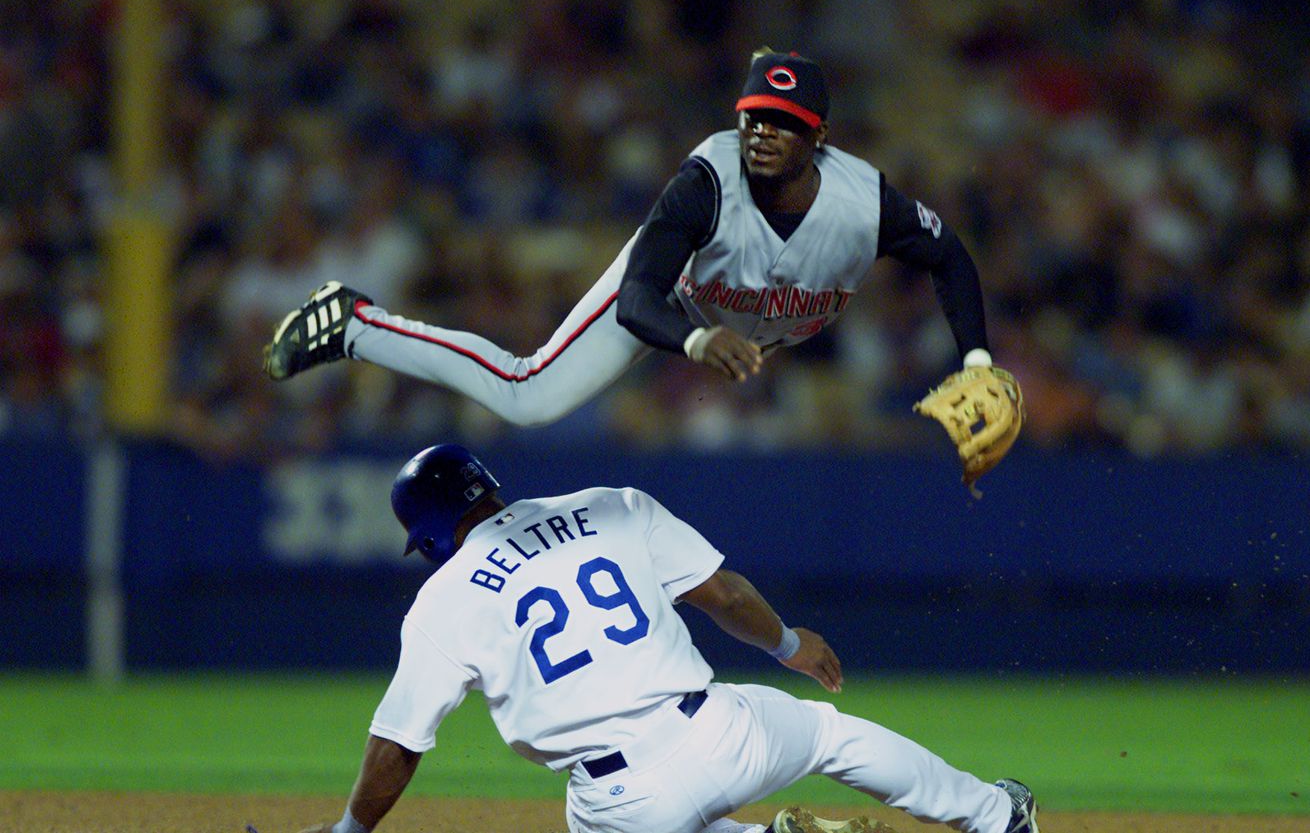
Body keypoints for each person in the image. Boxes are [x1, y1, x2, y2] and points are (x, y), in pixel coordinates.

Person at [296, 443, 1039, 833]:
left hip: (616, 797)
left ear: (425, 534)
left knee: (602, 821)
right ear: (487, 484)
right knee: (829, 735)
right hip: (718, 727)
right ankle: (995, 816)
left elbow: (398, 744)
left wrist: (350, 829)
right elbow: (724, 594)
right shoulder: (607, 504)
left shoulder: (441, 599)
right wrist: (787, 644)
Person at [263, 49, 1009, 429]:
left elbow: (949, 256)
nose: (762, 132)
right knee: (529, 395)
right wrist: (691, 341)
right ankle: (357, 324)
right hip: (674, 304)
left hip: (763, 329)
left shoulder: (864, 202)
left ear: (820, 136)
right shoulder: (705, 183)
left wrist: (976, 357)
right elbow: (637, 297)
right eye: (754, 115)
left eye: (783, 122)